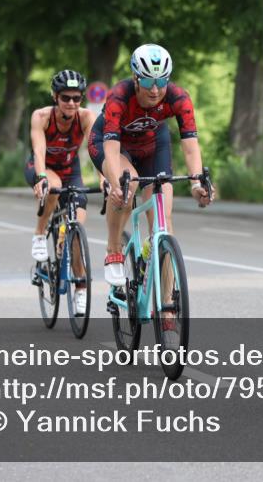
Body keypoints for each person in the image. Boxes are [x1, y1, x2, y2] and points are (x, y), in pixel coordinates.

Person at [88, 44, 212, 289]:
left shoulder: (179, 97)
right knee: (127, 182)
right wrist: (114, 183)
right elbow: (111, 149)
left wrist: (196, 183)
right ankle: (114, 247)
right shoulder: (119, 96)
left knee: (163, 223)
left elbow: (190, 146)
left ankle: (167, 309)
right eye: (147, 83)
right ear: (135, 78)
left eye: (161, 81)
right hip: (112, 144)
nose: (155, 90)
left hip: (152, 146)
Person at [27, 70, 99, 315]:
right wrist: (41, 178)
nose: (71, 103)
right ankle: (39, 234)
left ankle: (80, 288)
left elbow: (95, 150)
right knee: (54, 187)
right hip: (43, 167)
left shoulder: (87, 117)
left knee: (77, 231)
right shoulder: (41, 116)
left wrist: (104, 179)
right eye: (66, 97)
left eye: (76, 98)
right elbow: (38, 150)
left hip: (71, 170)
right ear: (55, 96)